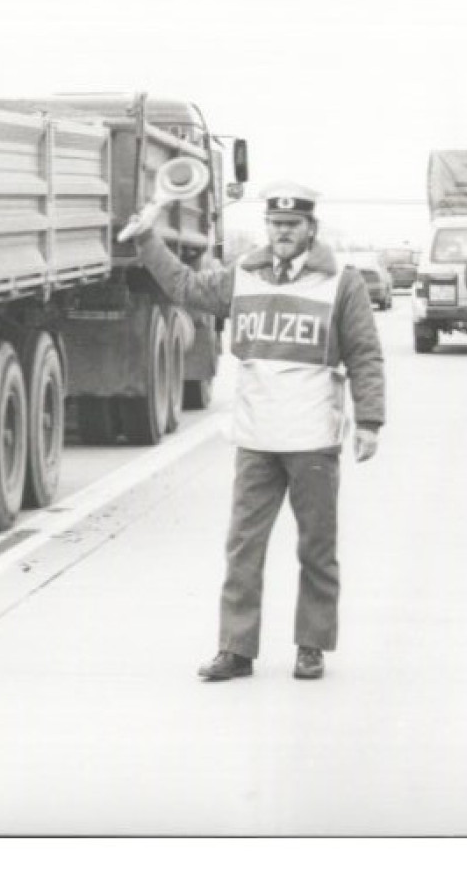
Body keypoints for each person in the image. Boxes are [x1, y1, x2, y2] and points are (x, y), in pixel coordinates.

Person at [119, 181, 385, 681]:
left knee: (316, 549)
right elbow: (185, 288)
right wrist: (146, 241)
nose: (283, 233)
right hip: (257, 439)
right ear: (267, 228)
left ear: (311, 229)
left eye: (293, 226)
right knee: (243, 547)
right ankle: (235, 649)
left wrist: (369, 421)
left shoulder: (342, 283)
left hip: (313, 441)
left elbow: (365, 353)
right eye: (276, 225)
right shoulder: (244, 275)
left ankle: (311, 646)